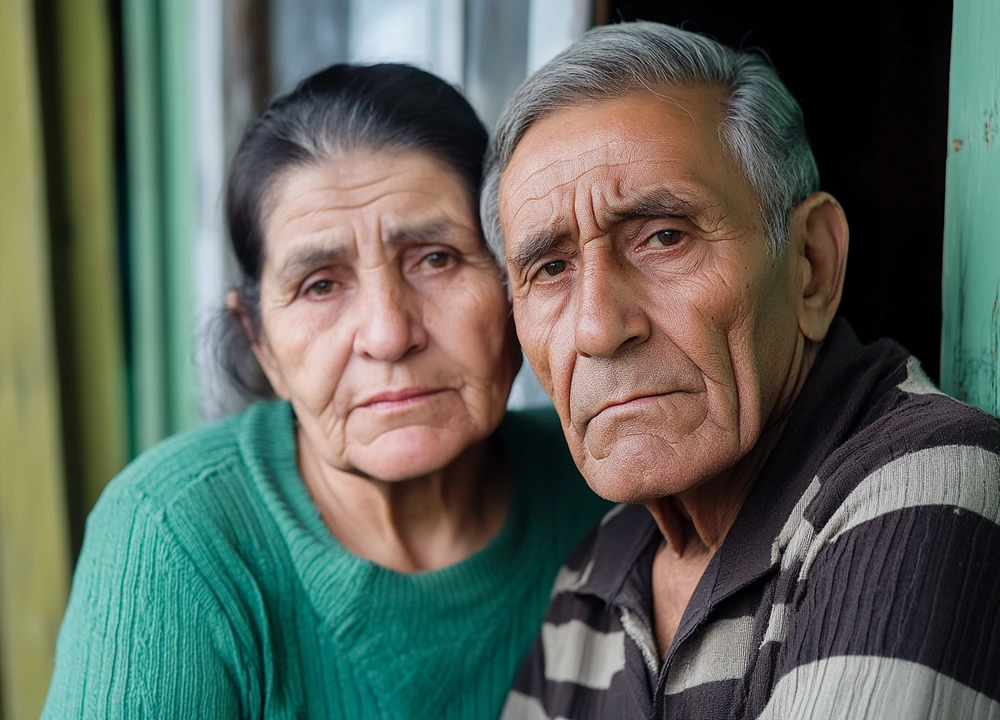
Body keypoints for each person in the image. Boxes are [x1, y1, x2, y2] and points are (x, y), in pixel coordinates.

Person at [43, 63, 610, 719]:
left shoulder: (603, 484)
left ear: (515, 286)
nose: (389, 334)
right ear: (259, 342)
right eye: (320, 284)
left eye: (436, 258)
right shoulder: (174, 536)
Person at [481, 21, 1000, 720]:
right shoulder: (594, 574)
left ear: (812, 265)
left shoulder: (929, 479)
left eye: (665, 237)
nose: (599, 327)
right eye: (549, 269)